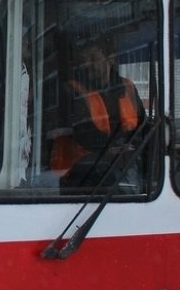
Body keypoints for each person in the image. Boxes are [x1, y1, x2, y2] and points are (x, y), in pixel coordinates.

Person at [49, 38, 145, 188]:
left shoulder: (128, 87)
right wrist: (111, 151)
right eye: (84, 60)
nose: (87, 65)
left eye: (93, 58)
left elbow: (142, 125)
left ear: (111, 59)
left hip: (123, 167)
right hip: (81, 174)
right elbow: (82, 132)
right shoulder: (71, 90)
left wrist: (135, 146)